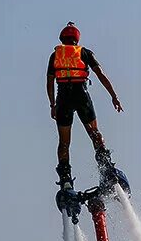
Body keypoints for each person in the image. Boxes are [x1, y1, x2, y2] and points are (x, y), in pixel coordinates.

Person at [46, 22, 123, 190]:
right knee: (94, 132)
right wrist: (114, 96)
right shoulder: (84, 53)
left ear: (62, 39)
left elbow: (49, 81)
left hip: (63, 98)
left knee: (64, 142)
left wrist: (52, 104)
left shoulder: (55, 56)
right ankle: (106, 167)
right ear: (77, 40)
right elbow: (100, 74)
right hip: (81, 96)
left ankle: (65, 178)